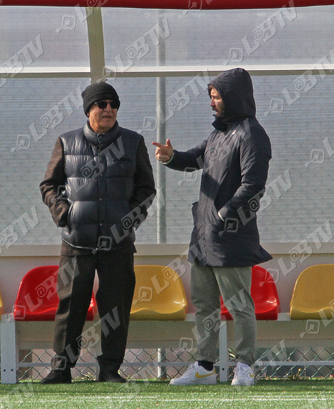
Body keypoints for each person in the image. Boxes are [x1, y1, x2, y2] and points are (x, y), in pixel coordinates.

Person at [152, 67, 271, 386]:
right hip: (203, 236)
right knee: (205, 304)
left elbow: (253, 186)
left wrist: (223, 215)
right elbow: (195, 158)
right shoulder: (220, 133)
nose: (211, 103)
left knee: (239, 304)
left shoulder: (252, 134)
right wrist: (171, 157)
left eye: (216, 97)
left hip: (232, 236)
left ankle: (244, 366)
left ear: (232, 97)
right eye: (211, 97)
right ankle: (204, 368)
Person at [39, 81, 156, 383]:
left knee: (115, 308)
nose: (109, 109)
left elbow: (146, 189)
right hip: (76, 242)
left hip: (118, 244)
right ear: (88, 110)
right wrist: (64, 214)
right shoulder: (66, 142)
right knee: (71, 305)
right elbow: (49, 185)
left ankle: (109, 369)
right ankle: (61, 368)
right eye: (102, 104)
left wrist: (128, 222)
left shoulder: (133, 142)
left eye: (114, 104)